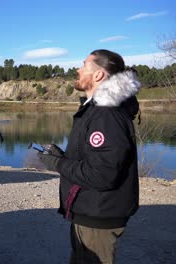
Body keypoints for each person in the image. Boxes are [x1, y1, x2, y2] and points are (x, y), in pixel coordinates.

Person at [37, 49, 140, 263]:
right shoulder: (97, 109)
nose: (77, 68)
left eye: (84, 64)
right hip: (92, 211)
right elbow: (95, 160)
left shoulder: (106, 114)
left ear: (98, 75)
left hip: (99, 214)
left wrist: (57, 163)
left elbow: (101, 175)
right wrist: (63, 157)